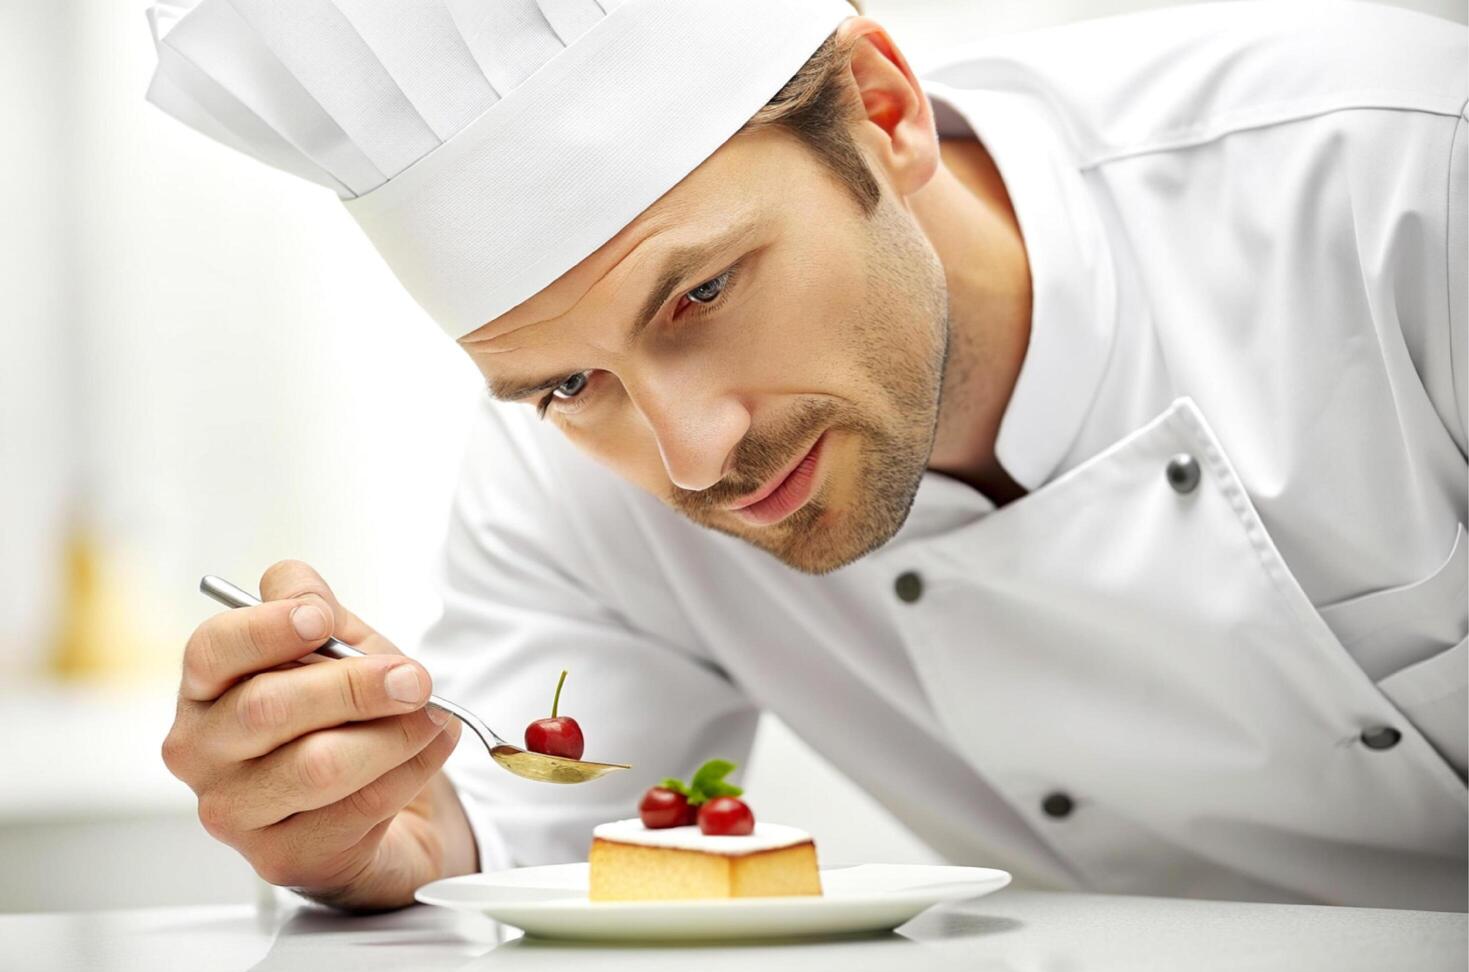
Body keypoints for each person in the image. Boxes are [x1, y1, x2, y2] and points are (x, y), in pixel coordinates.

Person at [147, 0, 1467, 912]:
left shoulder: (1395, 184)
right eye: (565, 381)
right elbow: (503, 844)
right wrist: (374, 838)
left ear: (883, 112)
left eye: (700, 296)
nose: (688, 453)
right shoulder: (567, 475)